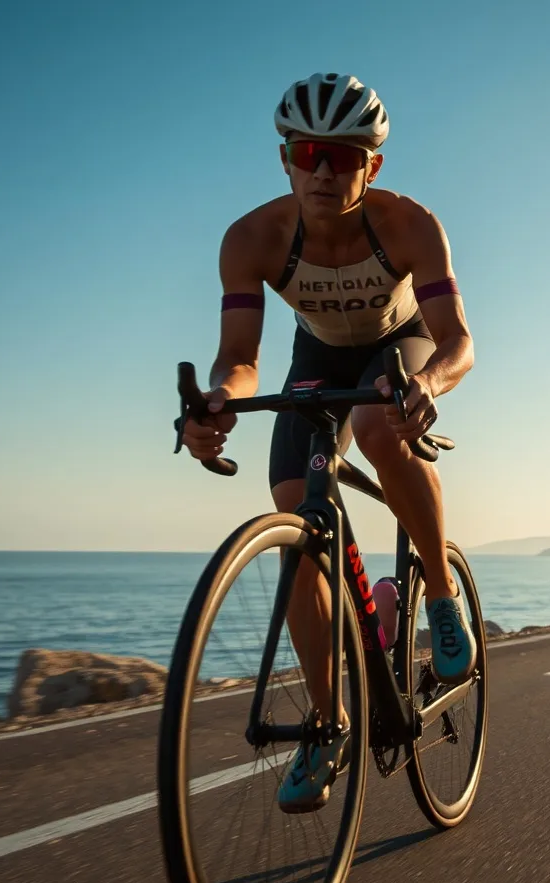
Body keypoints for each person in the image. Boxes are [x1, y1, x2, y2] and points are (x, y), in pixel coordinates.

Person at [179, 72, 477, 813]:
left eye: (339, 157)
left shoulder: (409, 225)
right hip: (316, 357)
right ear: (284, 159)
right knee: (293, 512)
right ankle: (329, 720)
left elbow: (458, 343)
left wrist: (427, 385)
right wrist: (219, 402)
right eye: (305, 152)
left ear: (370, 166)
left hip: (399, 345)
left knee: (378, 426)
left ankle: (440, 598)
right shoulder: (252, 239)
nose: (320, 171)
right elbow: (239, 359)